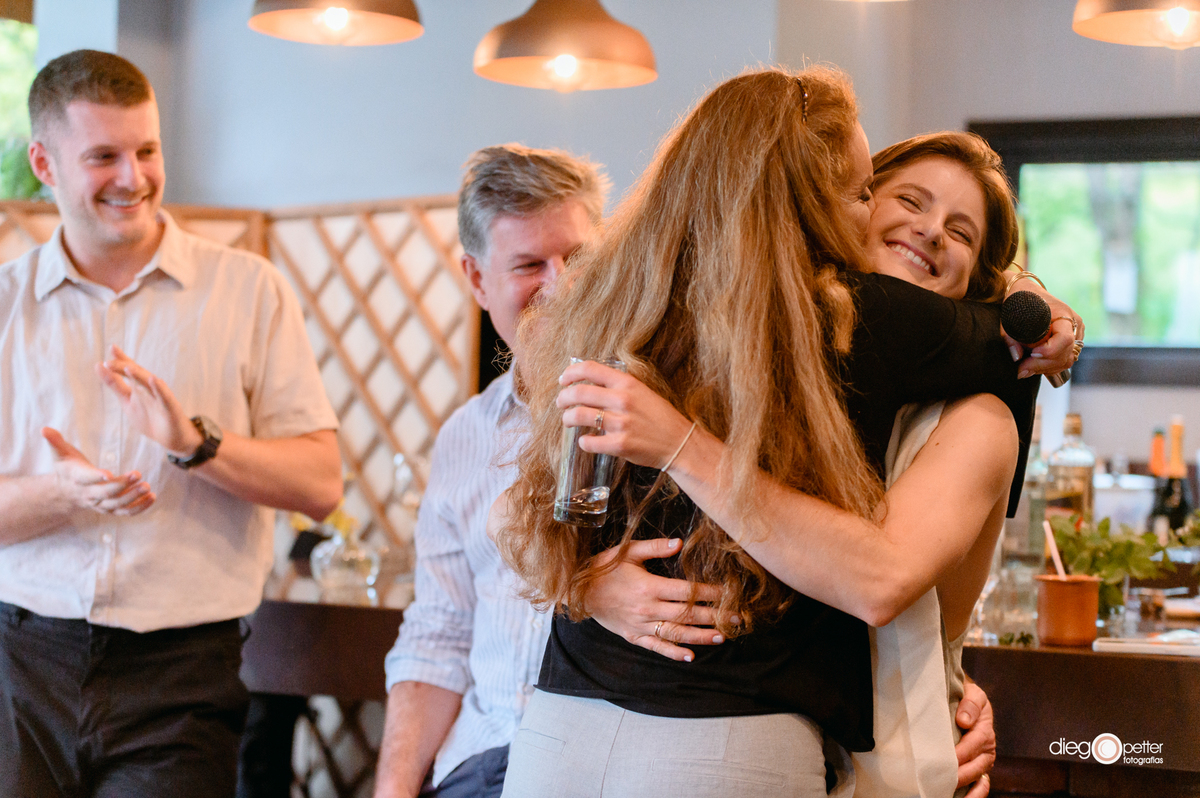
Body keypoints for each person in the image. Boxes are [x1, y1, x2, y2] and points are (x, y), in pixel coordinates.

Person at [495, 66, 1076, 797]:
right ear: (808, 192)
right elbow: (1018, 339)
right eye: (884, 195)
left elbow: (526, 507)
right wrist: (589, 585)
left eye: (960, 230)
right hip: (726, 740)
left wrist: (582, 582)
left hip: (558, 730)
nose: (926, 229)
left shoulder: (622, 299)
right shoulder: (860, 320)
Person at [0, 50, 342, 798]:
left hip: (183, 675)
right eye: (103, 156)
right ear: (43, 164)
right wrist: (62, 494)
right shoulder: (5, 304)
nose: (133, 178)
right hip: (18, 667)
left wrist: (197, 444)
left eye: (147, 151)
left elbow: (321, 485)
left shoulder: (250, 289)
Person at [375, 144, 619, 798]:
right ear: (477, 278)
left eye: (579, 259)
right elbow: (439, 633)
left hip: (603, 769)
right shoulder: (465, 436)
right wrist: (393, 789)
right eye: (529, 265)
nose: (561, 285)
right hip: (479, 763)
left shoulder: (653, 415)